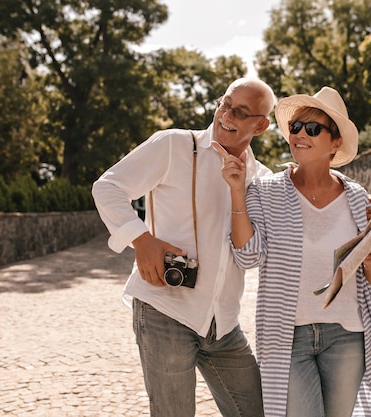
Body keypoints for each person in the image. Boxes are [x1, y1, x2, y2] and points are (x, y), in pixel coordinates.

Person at [213, 86, 371, 417]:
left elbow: (369, 271)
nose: (300, 134)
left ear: (335, 143)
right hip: (287, 336)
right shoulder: (266, 191)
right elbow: (248, 256)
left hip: (348, 334)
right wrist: (236, 191)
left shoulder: (357, 197)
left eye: (313, 128)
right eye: (295, 127)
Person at [91, 78, 276, 417]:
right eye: (225, 103)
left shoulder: (261, 179)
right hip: (165, 309)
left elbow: (255, 253)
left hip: (223, 323)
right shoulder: (174, 145)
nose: (226, 115)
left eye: (241, 112)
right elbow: (108, 187)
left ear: (261, 125)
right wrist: (140, 238)